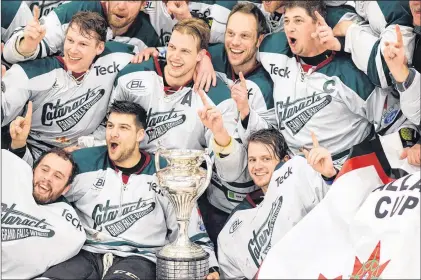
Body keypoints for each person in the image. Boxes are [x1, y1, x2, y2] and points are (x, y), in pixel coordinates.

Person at [37, 100, 219, 280]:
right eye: (110, 126)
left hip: (139, 257)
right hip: (86, 253)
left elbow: (189, 228)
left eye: (123, 128)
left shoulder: (164, 171)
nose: (113, 134)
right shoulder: (82, 161)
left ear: (140, 135)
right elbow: (43, 188)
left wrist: (210, 266)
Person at [237, 0, 392, 167]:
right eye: (287, 21)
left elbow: (395, 120)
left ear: (318, 24)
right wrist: (206, 58)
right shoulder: (272, 49)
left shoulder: (350, 75)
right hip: (293, 164)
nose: (290, 27)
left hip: (342, 167)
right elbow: (239, 53)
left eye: (298, 20)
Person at [1, 11, 135, 162]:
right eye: (70, 40)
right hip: (30, 150)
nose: (73, 49)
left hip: (80, 154)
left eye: (83, 44)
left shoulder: (116, 58)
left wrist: (155, 52)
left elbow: (149, 58)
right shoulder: (31, 72)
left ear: (99, 47)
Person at [217, 128, 339, 279]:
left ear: (286, 160)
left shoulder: (302, 172)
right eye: (252, 160)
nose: (257, 166)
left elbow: (341, 206)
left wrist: (330, 176)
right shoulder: (237, 219)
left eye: (266, 158)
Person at [2, 105, 85, 278]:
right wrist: (18, 144)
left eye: (58, 176)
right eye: (45, 169)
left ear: (66, 188)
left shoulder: (66, 222)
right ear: (33, 170)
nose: (47, 178)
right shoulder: (11, 180)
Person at [2, 1, 158, 64]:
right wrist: (26, 44)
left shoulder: (148, 36)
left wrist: (157, 53)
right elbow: (10, 55)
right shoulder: (73, 11)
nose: (122, 5)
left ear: (144, 4)